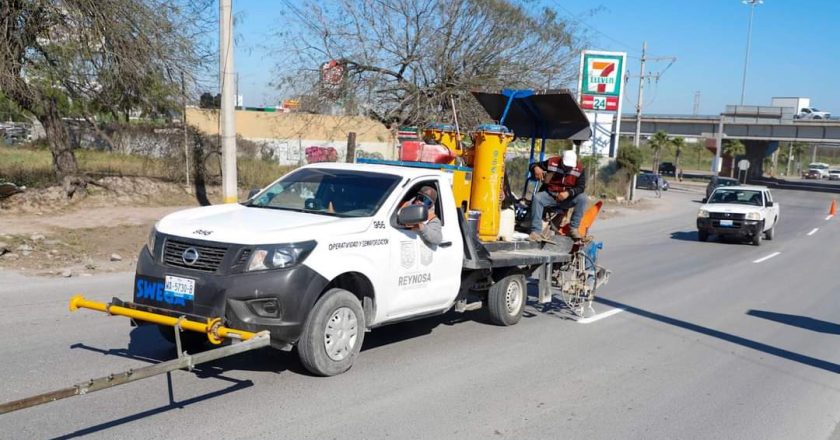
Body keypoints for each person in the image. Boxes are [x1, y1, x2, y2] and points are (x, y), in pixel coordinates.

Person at [529, 150, 588, 241]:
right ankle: (535, 232)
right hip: (550, 195)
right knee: (537, 198)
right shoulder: (551, 162)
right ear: (561, 160)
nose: (567, 168)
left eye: (570, 166)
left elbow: (581, 187)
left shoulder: (579, 169)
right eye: (565, 165)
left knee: (583, 198)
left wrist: (568, 193)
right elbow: (533, 165)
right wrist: (535, 167)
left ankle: (573, 229)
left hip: (567, 199)